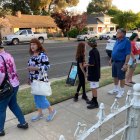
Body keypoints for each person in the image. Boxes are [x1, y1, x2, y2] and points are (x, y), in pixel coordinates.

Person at [0, 41, 28, 137]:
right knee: (13, 104)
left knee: (1, 109)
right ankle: (23, 123)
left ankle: (0, 130)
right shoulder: (9, 55)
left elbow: (1, 75)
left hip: (5, 88)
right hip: (14, 84)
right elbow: (14, 69)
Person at [27, 38, 56, 122]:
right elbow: (30, 69)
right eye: (31, 44)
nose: (32, 46)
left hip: (41, 80)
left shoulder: (42, 56)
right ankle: (40, 113)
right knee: (36, 98)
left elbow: (47, 66)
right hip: (34, 81)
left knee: (42, 98)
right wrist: (29, 78)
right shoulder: (32, 57)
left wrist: (36, 68)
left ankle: (52, 111)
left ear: (38, 45)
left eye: (34, 44)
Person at [109, 28, 131, 98]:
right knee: (115, 76)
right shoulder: (117, 40)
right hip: (114, 62)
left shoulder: (127, 41)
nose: (116, 34)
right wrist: (111, 59)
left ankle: (121, 91)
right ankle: (116, 89)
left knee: (121, 77)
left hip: (121, 62)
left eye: (118, 32)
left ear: (122, 34)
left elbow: (128, 54)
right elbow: (114, 50)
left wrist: (125, 64)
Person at [85, 38, 101, 109]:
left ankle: (95, 103)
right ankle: (93, 99)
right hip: (96, 72)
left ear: (90, 44)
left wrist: (86, 64)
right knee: (93, 87)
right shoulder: (96, 50)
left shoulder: (92, 51)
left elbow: (92, 63)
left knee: (93, 87)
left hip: (93, 73)